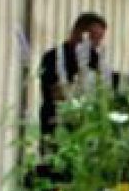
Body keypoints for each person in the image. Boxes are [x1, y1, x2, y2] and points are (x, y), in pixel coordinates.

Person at [39, 13, 110, 142]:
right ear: (80, 33)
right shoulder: (52, 57)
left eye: (100, 39)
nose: (97, 44)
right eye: (94, 38)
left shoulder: (95, 58)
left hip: (86, 124)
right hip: (56, 122)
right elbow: (56, 92)